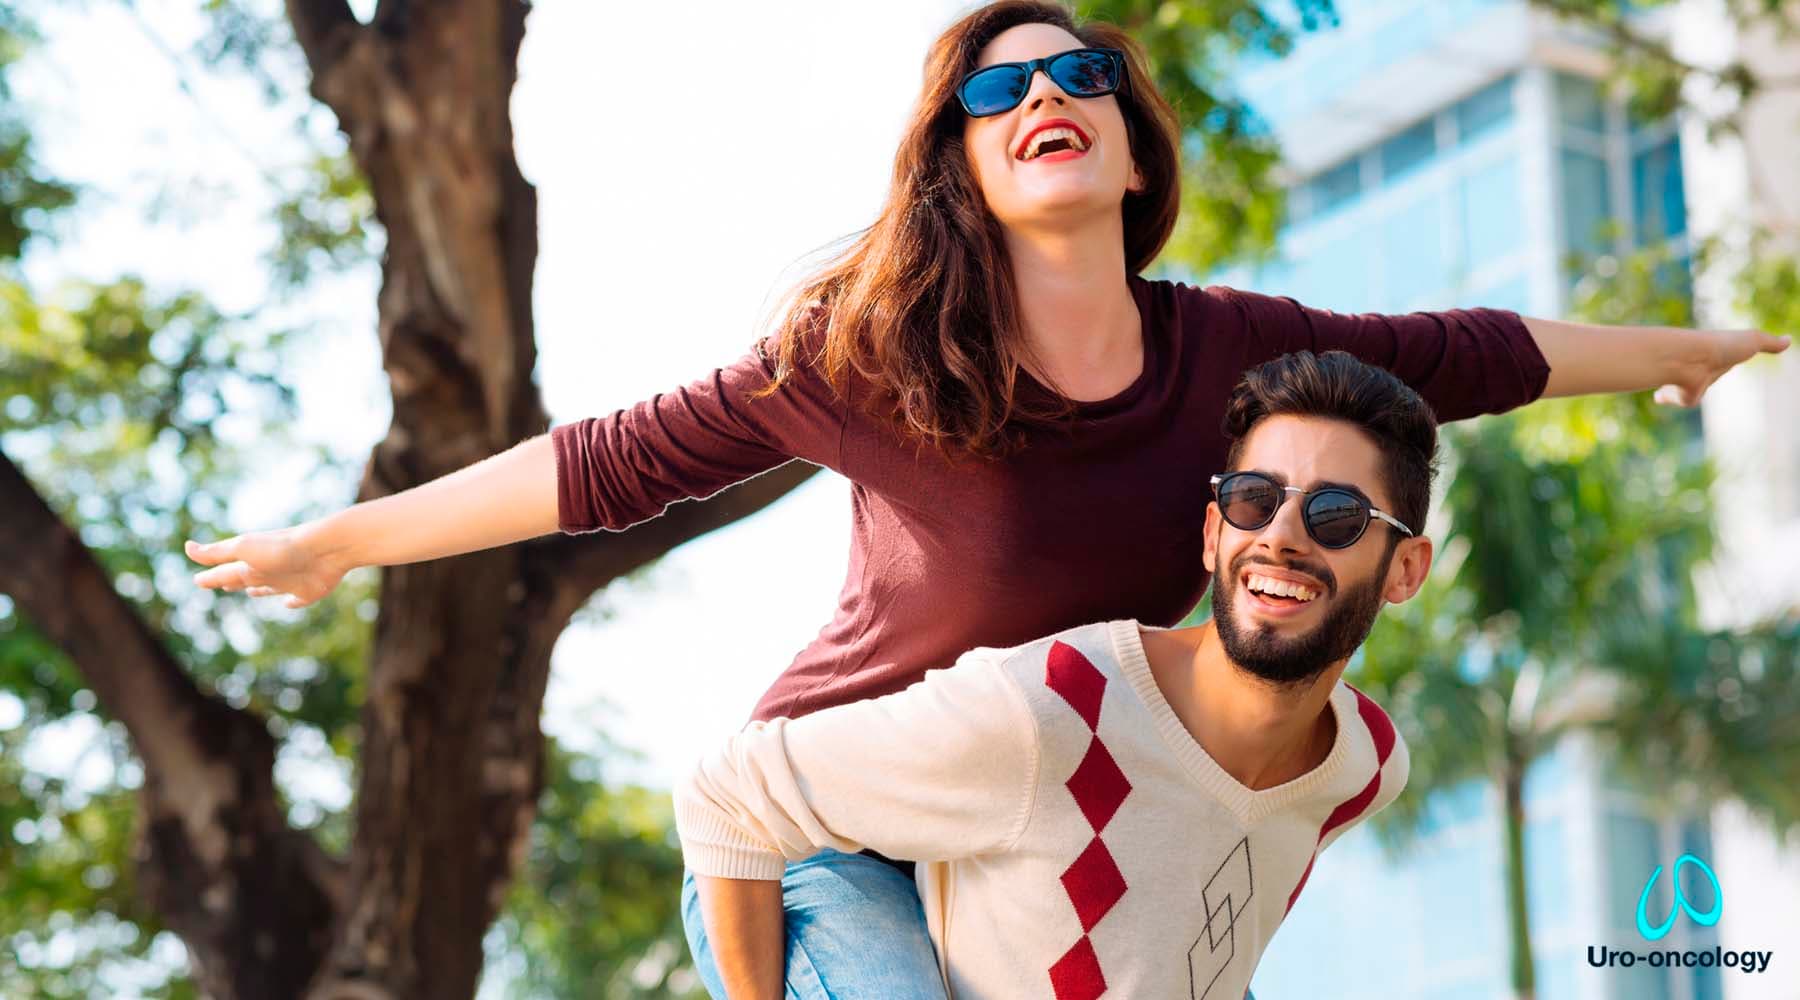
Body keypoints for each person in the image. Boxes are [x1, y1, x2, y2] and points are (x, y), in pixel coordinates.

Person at [183, 1, 1788, 995]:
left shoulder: (1227, 346)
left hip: (1017, 827)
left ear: (1127, 137)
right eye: (999, 87)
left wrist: (1684, 354)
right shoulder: (873, 357)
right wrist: (340, 541)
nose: (1049, 94)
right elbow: (598, 464)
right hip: (819, 828)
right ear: (961, 163)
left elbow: (1470, 353)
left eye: (1082, 70)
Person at [676, 350, 1436, 1000]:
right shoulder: (1055, 709)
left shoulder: (1363, 766)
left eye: (1335, 515)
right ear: (1212, 533)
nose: (1279, 537)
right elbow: (726, 797)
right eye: (1252, 500)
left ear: (1405, 568)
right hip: (812, 864)